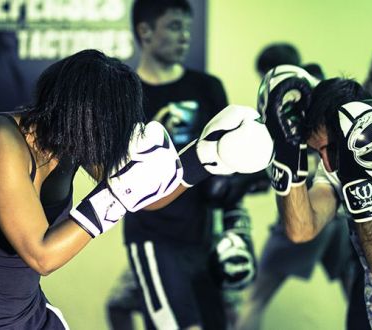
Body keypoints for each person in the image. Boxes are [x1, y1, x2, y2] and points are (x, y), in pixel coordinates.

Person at [0, 48, 274, 329]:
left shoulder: (72, 143)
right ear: (78, 115)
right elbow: (42, 255)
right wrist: (116, 195)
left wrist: (206, 156)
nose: (109, 141)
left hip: (26, 315)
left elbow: (144, 197)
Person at [106, 1, 262, 330]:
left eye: (188, 29)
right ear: (145, 31)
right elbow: (117, 171)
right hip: (153, 237)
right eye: (175, 27)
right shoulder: (124, 95)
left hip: (204, 236)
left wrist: (236, 218)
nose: (185, 37)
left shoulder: (207, 87)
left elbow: (229, 163)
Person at [264, 69, 372, 329]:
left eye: (331, 148)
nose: (327, 164)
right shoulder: (334, 164)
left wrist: (357, 172)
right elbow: (301, 229)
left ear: (361, 133)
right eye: (316, 151)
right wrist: (288, 156)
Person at [236, 44, 366, 330]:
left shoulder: (294, 102)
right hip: (341, 216)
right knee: (359, 297)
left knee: (255, 298)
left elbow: (298, 152)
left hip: (308, 205)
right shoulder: (323, 91)